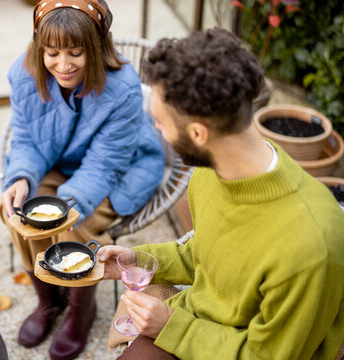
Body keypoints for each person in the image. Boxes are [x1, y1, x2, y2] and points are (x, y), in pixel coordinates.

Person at [98, 28, 344, 359]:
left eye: (159, 121)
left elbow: (268, 355)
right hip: (204, 329)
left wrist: (171, 326)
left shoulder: (309, 246)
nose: (156, 128)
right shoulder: (210, 171)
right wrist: (136, 259)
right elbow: (206, 254)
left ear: (198, 133)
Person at [0, 1, 165, 359]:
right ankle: (49, 299)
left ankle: (80, 310)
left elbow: (106, 164)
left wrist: (65, 203)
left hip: (124, 168)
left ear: (96, 47)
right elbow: (27, 140)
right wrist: (22, 177)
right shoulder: (24, 75)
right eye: (53, 52)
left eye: (76, 53)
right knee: (19, 211)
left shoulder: (122, 88)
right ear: (39, 46)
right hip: (61, 161)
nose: (63, 65)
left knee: (73, 226)